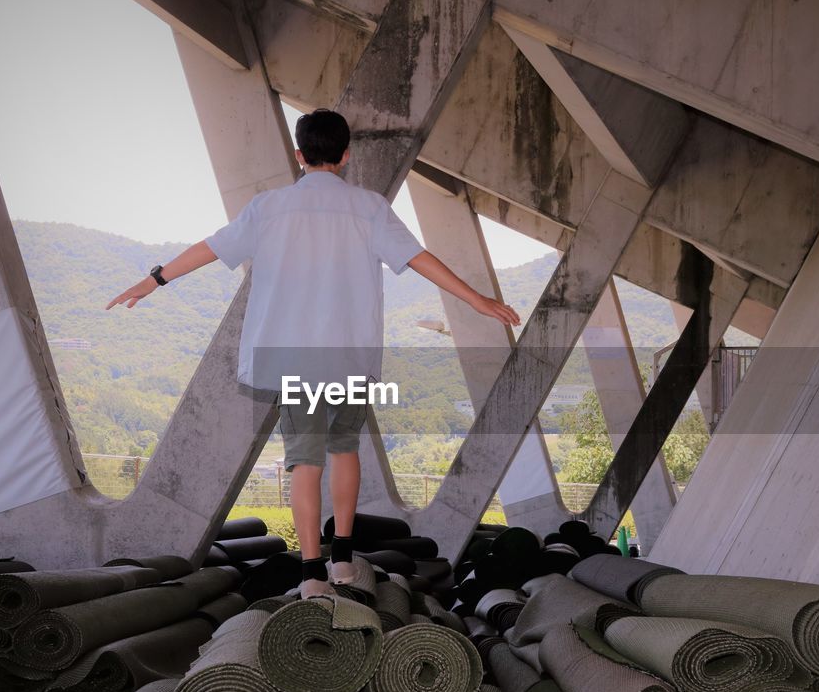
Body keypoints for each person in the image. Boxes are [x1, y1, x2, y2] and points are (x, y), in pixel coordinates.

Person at [108, 108, 519, 599]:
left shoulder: (269, 207)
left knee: (304, 460)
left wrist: (153, 280)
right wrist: (478, 300)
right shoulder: (369, 208)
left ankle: (311, 574)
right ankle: (342, 559)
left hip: (293, 356)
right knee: (344, 447)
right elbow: (419, 259)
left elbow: (210, 248)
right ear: (346, 156)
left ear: (299, 155)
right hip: (348, 355)